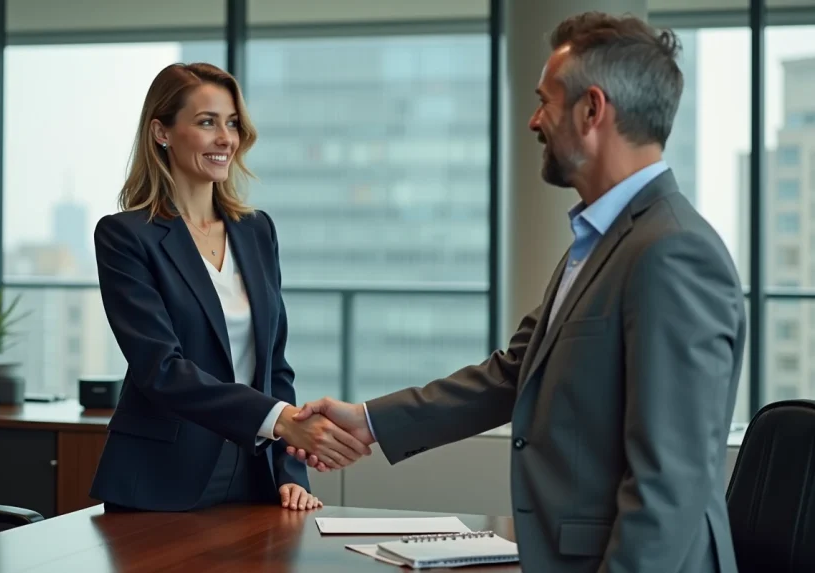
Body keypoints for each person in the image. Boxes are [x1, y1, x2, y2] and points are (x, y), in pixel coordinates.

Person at [287, 13, 744, 573]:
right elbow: (512, 374)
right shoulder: (601, 241)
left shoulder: (672, 252)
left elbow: (670, 483)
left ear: (592, 110)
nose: (533, 121)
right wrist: (368, 420)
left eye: (544, 101)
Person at [90, 62, 371, 513]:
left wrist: (290, 470)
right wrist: (281, 421)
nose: (226, 139)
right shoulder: (125, 236)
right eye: (207, 122)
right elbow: (161, 369)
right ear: (162, 132)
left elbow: (274, 367)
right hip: (162, 479)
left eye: (233, 123)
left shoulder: (256, 231)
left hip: (256, 474)